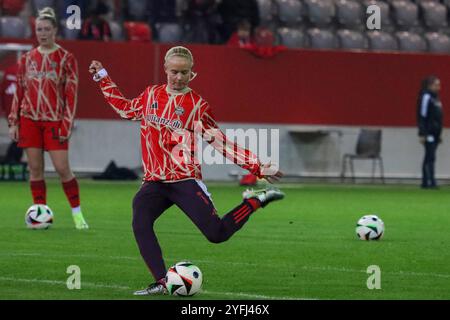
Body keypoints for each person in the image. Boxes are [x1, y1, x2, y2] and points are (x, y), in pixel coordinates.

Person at [89, 46, 284, 295]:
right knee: (140, 220)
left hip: (184, 179)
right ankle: (162, 281)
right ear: (165, 70)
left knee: (217, 234)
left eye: (184, 72)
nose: (179, 77)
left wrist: (256, 165)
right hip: (155, 181)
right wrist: (103, 77)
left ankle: (254, 201)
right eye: (174, 72)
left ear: (192, 74)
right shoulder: (150, 95)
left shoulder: (198, 106)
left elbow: (220, 142)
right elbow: (125, 109)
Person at [8, 7, 88, 229]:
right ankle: (39, 214)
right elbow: (19, 91)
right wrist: (13, 122)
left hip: (54, 120)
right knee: (35, 169)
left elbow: (71, 95)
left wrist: (67, 123)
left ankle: (77, 214)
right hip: (29, 119)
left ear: (55, 30)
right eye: (39, 29)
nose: (42, 33)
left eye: (46, 29)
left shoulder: (66, 59)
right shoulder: (27, 59)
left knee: (62, 168)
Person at [417, 75, 443, 189]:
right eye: (436, 85)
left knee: (432, 157)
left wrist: (439, 134)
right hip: (428, 132)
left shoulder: (436, 99)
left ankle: (431, 180)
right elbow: (422, 116)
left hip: (435, 132)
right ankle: (427, 181)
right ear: (430, 85)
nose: (439, 87)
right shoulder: (426, 97)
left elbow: (438, 117)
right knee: (429, 156)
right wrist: (422, 133)